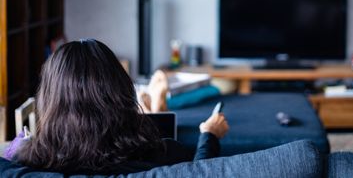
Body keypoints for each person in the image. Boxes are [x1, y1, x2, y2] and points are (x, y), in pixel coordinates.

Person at [11, 39, 229, 175]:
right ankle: (154, 103)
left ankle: (155, 103)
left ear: (49, 98)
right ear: (122, 91)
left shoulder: (25, 164)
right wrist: (209, 136)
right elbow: (200, 173)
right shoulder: (165, 154)